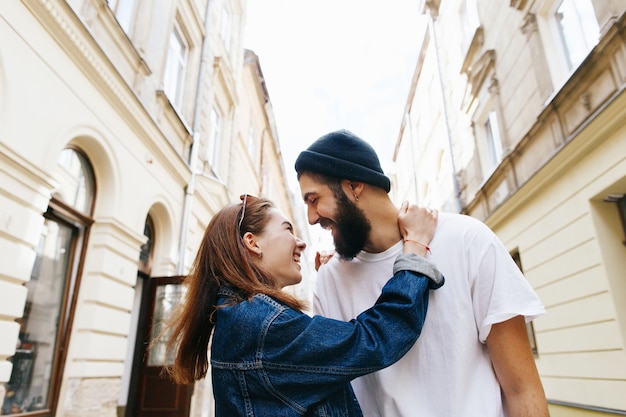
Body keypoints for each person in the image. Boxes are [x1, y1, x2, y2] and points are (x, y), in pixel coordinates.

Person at [295, 129, 550, 417]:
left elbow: (522, 390)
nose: (311, 218)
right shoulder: (330, 280)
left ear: (354, 185)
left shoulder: (468, 240)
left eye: (314, 199)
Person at [163, 194, 444, 416]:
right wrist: (415, 250)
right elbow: (376, 339)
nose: (301, 243)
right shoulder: (262, 325)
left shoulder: (240, 314)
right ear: (252, 242)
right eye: (288, 229)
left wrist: (334, 281)